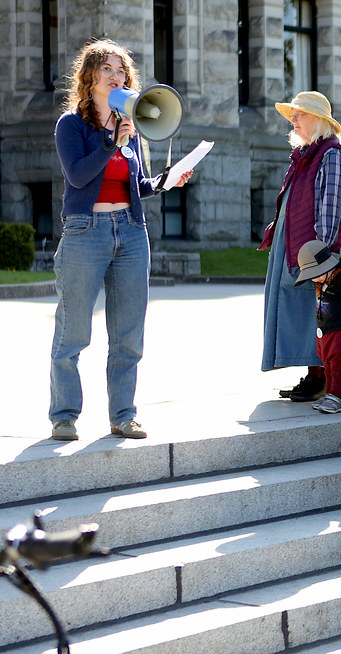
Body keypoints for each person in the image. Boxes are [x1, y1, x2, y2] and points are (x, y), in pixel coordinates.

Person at [49, 39, 193, 442]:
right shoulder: (71, 126)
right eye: (109, 70)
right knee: (73, 332)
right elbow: (79, 176)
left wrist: (167, 180)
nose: (117, 76)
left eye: (122, 71)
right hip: (85, 232)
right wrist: (112, 140)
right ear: (90, 78)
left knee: (128, 334)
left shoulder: (133, 128)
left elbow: (137, 186)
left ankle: (124, 415)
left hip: (130, 232)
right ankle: (63, 416)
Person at [260, 91, 341, 403]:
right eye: (293, 114)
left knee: (315, 315)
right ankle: (313, 376)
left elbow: (329, 210)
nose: (294, 120)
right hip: (296, 247)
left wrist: (321, 257)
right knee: (303, 313)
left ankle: (322, 379)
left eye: (300, 114)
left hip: (314, 253)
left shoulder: (330, 154)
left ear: (320, 120)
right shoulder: (307, 153)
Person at [292, 239, 341, 415]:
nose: (314, 278)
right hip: (324, 332)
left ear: (328, 267)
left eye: (316, 273)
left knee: (339, 365)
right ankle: (329, 394)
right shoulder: (321, 282)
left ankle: (337, 397)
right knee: (327, 364)